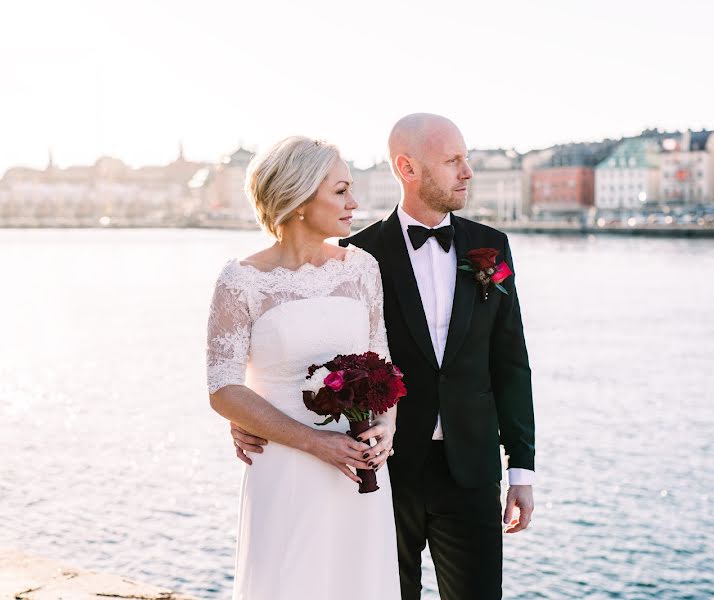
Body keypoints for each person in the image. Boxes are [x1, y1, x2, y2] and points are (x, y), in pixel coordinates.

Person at [231, 114, 536, 599]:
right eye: (452, 160)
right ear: (407, 168)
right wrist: (253, 412)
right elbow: (316, 356)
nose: (467, 171)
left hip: (472, 468)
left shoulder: (491, 247)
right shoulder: (357, 256)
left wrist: (521, 467)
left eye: (466, 158)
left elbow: (511, 362)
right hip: (384, 468)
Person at [206, 136, 401, 600]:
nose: (354, 203)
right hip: (286, 466)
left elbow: (384, 366)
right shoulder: (241, 281)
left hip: (357, 468)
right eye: (340, 190)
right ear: (297, 197)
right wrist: (315, 442)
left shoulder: (362, 269)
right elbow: (222, 388)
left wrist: (387, 427)